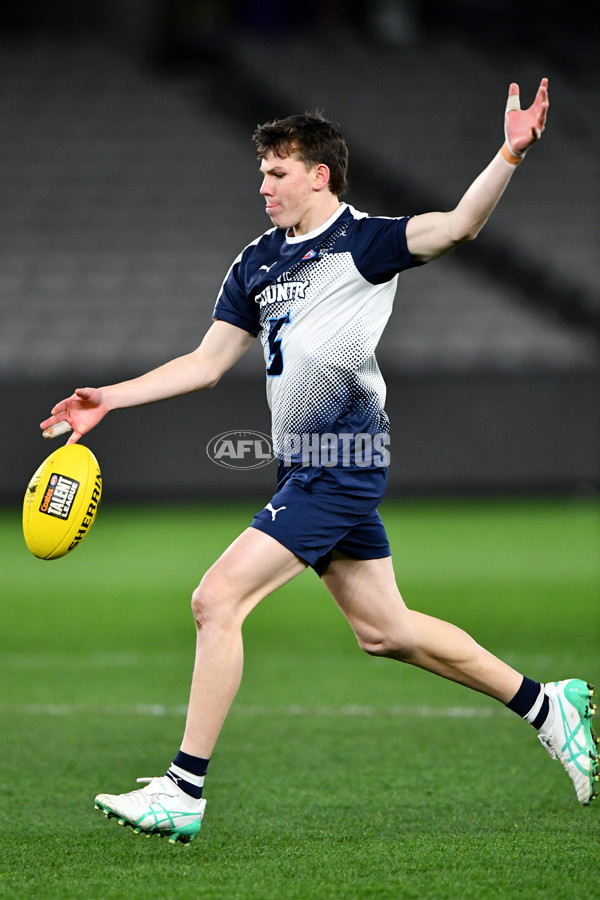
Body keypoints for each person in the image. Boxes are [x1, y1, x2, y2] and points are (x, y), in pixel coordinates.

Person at [41, 77, 598, 845]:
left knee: (216, 599)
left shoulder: (364, 242)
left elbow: (462, 225)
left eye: (277, 171)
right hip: (301, 466)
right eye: (262, 171)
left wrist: (509, 151)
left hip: (343, 459)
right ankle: (548, 704)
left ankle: (184, 788)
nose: (264, 184)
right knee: (386, 631)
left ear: (319, 175)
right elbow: (205, 364)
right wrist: (109, 397)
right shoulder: (257, 261)